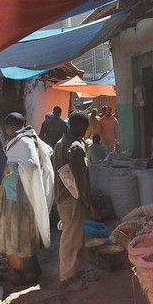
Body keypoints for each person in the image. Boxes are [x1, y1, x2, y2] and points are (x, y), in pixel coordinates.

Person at [0, 113, 54, 284]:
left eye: (7, 127)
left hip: (20, 198)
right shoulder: (22, 139)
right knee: (19, 235)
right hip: (13, 196)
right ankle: (30, 270)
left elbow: (32, 166)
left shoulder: (25, 141)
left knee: (21, 235)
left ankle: (27, 273)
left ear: (11, 127)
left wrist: (11, 168)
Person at [54, 111, 98, 289]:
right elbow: (81, 178)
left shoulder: (60, 143)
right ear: (81, 127)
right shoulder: (76, 147)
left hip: (63, 196)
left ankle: (76, 269)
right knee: (71, 238)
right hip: (72, 198)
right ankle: (67, 276)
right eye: (85, 128)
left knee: (75, 235)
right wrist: (89, 202)